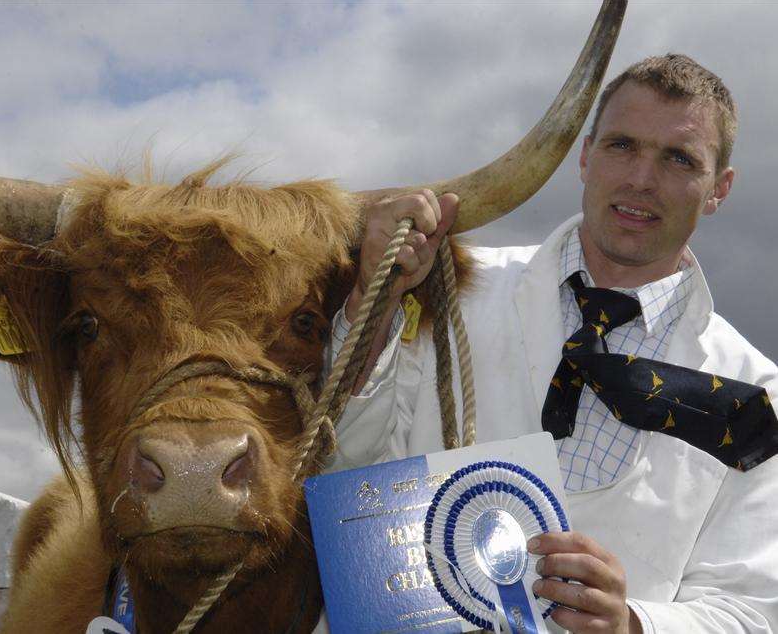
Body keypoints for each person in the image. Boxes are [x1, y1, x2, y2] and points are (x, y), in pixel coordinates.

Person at [324, 54, 778, 633]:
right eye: (622, 146)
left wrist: (633, 624)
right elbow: (343, 457)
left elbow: (752, 611)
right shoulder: (448, 289)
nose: (641, 178)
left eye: (679, 159)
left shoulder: (757, 393)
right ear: (585, 156)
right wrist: (373, 301)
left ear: (719, 189)